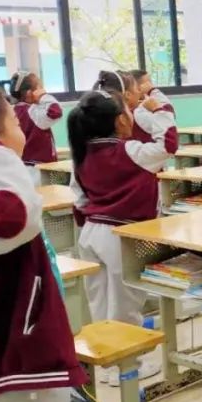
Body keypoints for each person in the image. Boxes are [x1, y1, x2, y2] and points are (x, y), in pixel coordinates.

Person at [0, 86, 86, 402]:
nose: (21, 127)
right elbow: (13, 217)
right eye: (14, 122)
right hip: (16, 354)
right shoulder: (4, 172)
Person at [69, 90, 178, 383]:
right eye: (129, 111)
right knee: (125, 305)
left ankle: (107, 364)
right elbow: (169, 144)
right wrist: (160, 110)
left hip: (91, 233)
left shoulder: (81, 154)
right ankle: (128, 366)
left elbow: (79, 201)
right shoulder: (130, 151)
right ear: (120, 121)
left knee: (100, 303)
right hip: (122, 236)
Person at [1, 70, 61, 176]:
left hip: (25, 165)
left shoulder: (14, 111)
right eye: (39, 88)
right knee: (59, 183)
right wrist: (43, 97)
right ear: (29, 93)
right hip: (42, 167)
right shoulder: (34, 111)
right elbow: (56, 112)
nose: (43, 90)